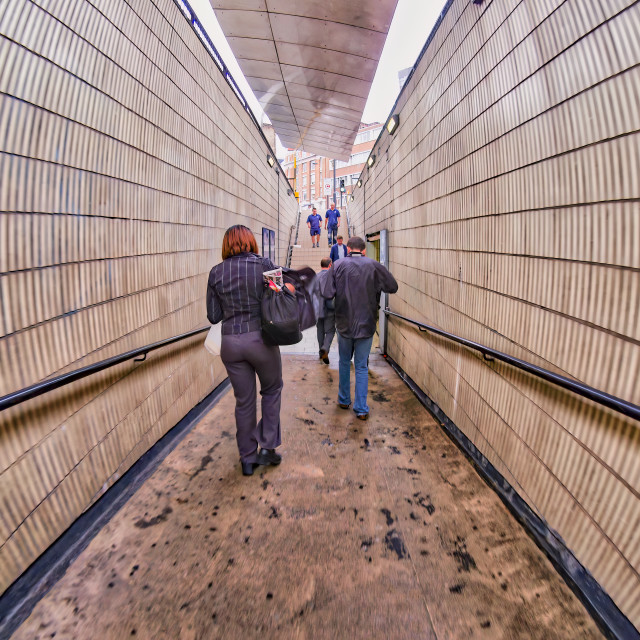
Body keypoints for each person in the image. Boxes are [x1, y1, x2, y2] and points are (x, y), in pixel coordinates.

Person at [206, 225, 287, 476]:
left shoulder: (216, 272)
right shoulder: (266, 265)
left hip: (230, 343)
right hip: (261, 340)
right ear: (251, 242)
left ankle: (247, 459)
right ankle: (268, 448)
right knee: (272, 390)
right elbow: (280, 298)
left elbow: (213, 315)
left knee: (244, 401)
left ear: (226, 245)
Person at [320, 236, 398, 420]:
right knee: (361, 366)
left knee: (344, 362)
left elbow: (326, 292)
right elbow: (392, 287)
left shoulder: (338, 265)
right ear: (363, 250)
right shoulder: (373, 265)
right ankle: (361, 409)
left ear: (348, 249)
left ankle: (344, 400)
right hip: (367, 324)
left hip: (343, 323)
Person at [312, 258, 335, 364]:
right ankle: (325, 348)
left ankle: (321, 352)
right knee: (330, 330)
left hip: (318, 309)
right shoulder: (332, 277)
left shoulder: (315, 277)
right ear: (330, 265)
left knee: (320, 329)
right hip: (329, 308)